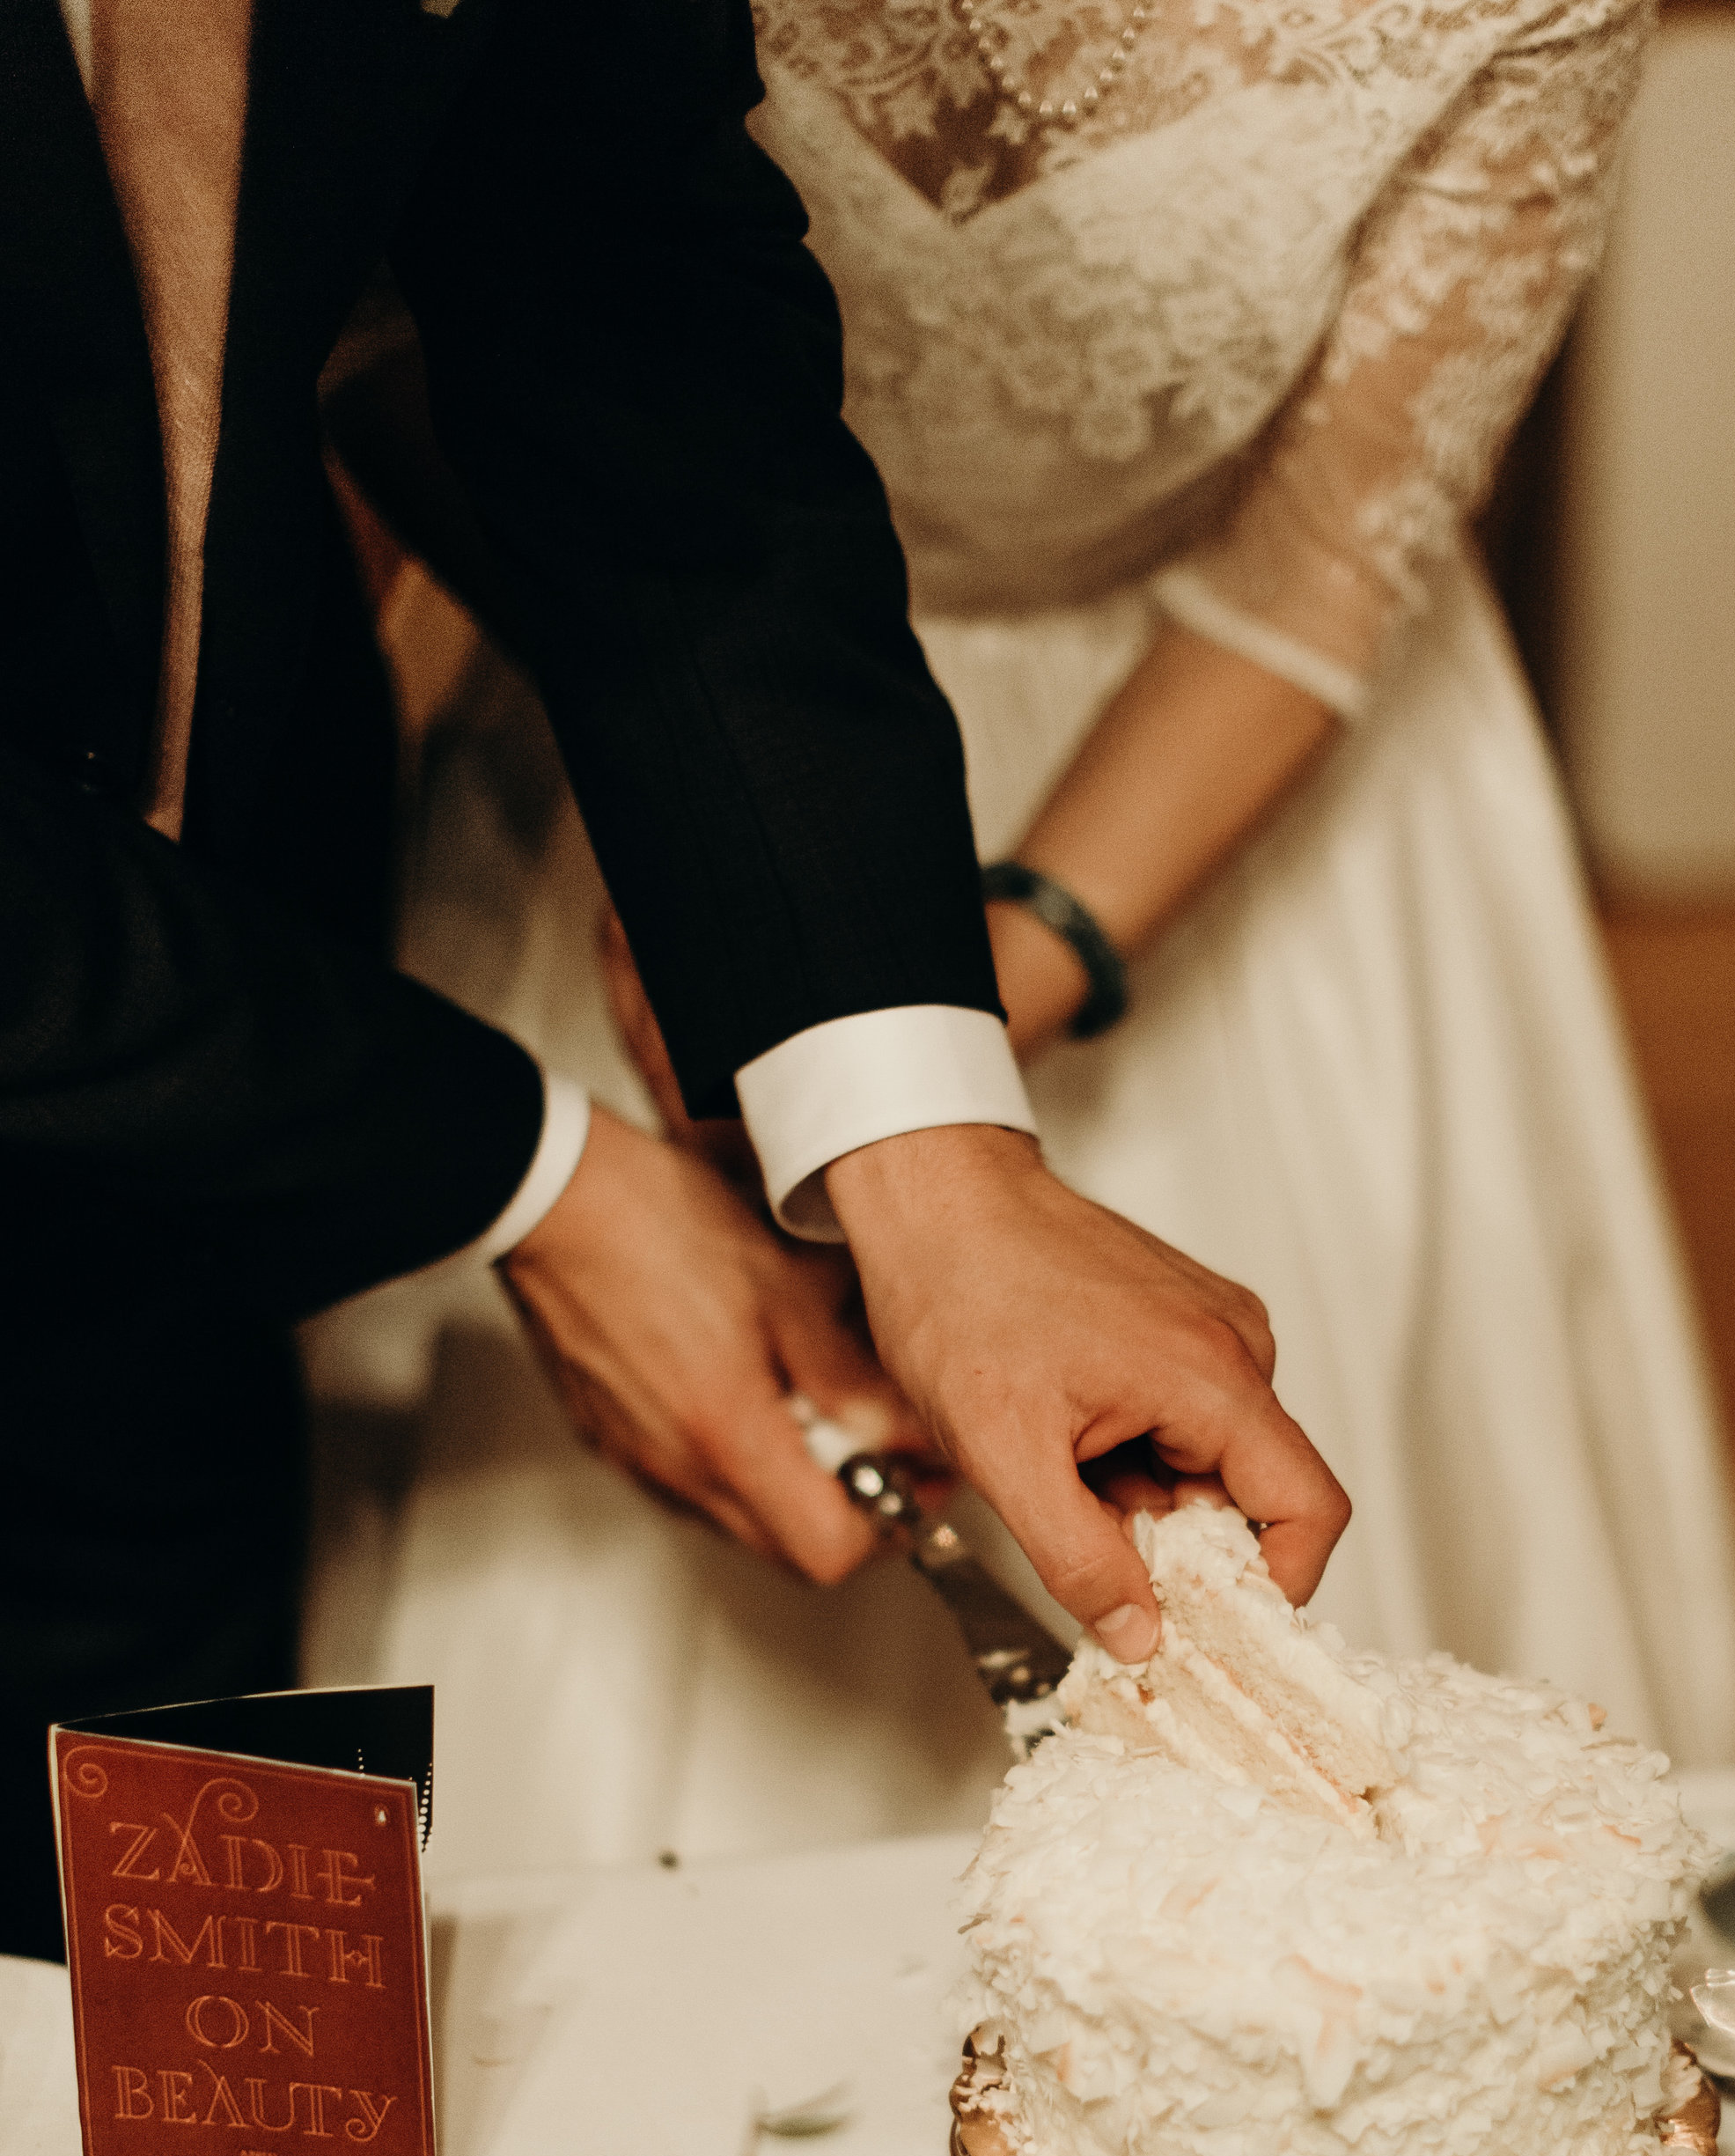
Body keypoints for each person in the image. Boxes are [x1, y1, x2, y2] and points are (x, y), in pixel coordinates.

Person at [338, 0, 1735, 1883]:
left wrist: (962, 997)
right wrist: (725, 846)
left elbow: (1328, 552)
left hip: (1212, 794)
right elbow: (408, 320)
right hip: (627, 691)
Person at [0, 0, 1344, 1961]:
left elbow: (621, 305)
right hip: (281, 1068)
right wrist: (531, 1174)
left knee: (141, 2058)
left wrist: (927, 1161)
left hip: (208, 1147)